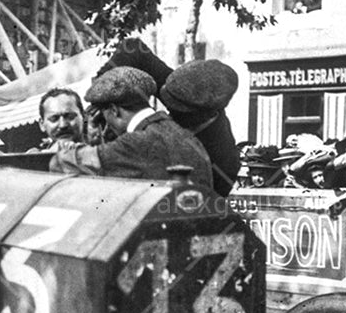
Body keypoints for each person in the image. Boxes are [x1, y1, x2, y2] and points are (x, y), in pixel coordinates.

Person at [96, 39, 240, 196]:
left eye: (174, 111)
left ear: (199, 115)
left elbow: (197, 210)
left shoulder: (224, 162)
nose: (168, 114)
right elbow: (133, 48)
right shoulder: (181, 87)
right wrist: (101, 95)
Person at [49, 66, 213, 190]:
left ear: (113, 110)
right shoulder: (188, 138)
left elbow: (61, 163)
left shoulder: (135, 143)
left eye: (104, 115)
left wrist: (87, 143)